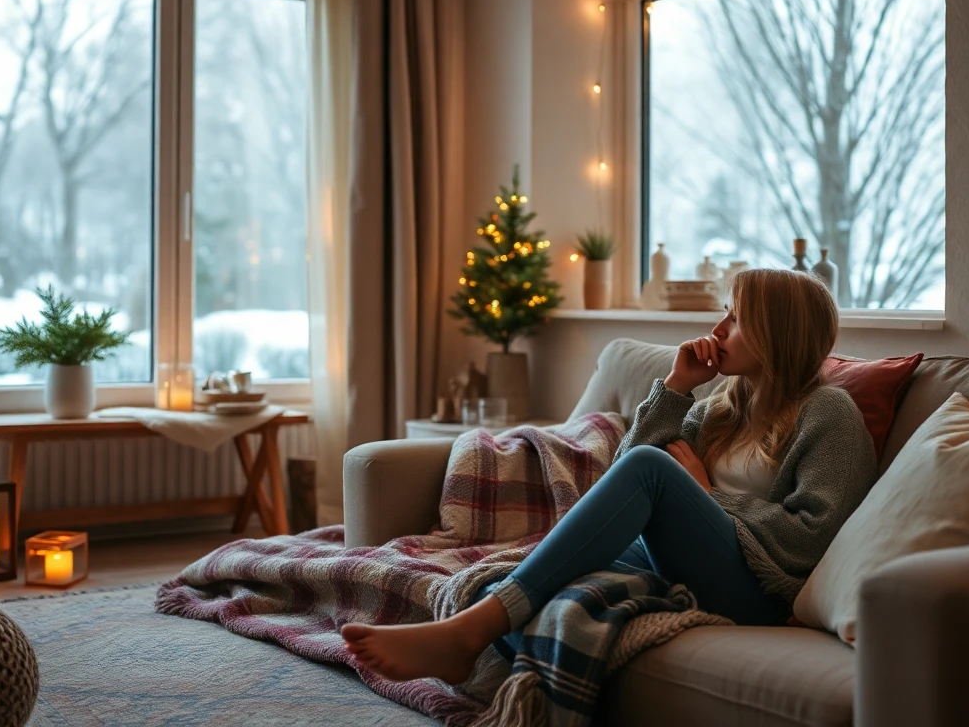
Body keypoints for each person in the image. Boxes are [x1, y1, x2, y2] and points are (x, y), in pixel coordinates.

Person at [341, 268, 877, 684]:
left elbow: (813, 539)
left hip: (757, 590)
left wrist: (709, 496)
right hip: (681, 559)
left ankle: (466, 632)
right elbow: (624, 477)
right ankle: (489, 633)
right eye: (722, 313)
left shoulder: (828, 412)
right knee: (567, 578)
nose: (716, 330)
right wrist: (675, 385)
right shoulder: (721, 404)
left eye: (734, 318)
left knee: (651, 471)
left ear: (777, 331)